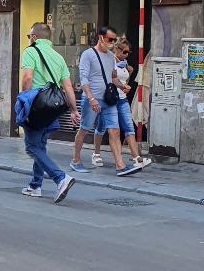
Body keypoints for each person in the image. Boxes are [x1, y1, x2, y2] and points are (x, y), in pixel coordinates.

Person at [17, 22, 80, 203]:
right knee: (41, 146)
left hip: (36, 106)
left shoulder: (30, 51)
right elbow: (68, 87)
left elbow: (28, 77)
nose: (29, 40)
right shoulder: (58, 57)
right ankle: (36, 185)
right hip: (52, 108)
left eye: (29, 36)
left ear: (35, 37)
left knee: (32, 147)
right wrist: (74, 110)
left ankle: (60, 178)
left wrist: (24, 100)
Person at [70, 24, 142, 177]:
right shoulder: (88, 55)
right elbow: (83, 79)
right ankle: (76, 160)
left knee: (114, 130)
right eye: (110, 39)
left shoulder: (111, 57)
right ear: (101, 38)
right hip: (92, 99)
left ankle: (120, 165)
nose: (112, 43)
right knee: (84, 129)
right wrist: (90, 98)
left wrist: (122, 86)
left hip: (109, 100)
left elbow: (113, 77)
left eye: (114, 40)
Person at [92, 38, 151, 171]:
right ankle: (96, 153)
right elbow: (108, 79)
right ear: (116, 49)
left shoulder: (123, 63)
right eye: (124, 52)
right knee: (102, 126)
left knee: (129, 127)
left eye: (128, 52)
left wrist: (129, 73)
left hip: (122, 98)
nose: (126, 55)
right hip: (110, 98)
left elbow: (125, 80)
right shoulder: (108, 60)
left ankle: (137, 158)